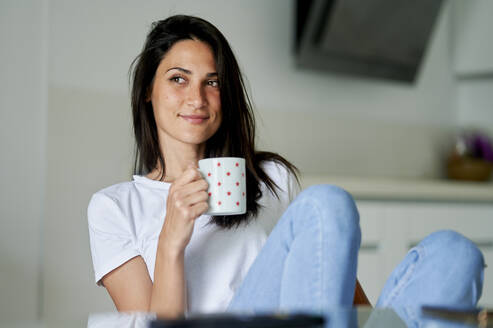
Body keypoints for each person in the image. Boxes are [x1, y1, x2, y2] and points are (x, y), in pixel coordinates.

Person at [87, 15, 485, 327]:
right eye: (178, 79)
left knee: (456, 253)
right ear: (147, 92)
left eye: (213, 82)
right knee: (324, 204)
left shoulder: (272, 178)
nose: (197, 98)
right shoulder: (114, 208)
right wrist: (171, 239)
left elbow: (338, 291)